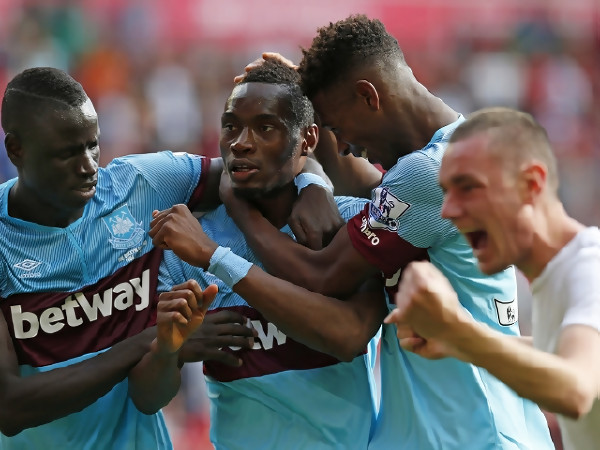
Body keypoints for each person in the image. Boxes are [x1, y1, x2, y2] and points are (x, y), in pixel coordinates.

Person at [224, 15, 555, 449]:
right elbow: (371, 186)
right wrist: (306, 126)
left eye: (337, 128)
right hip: (453, 427)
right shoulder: (455, 151)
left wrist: (235, 205)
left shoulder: (430, 173)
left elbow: (322, 274)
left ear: (368, 96)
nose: (342, 145)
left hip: (473, 433)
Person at [0, 67, 334, 449]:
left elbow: (252, 170)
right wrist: (151, 342)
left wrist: (313, 182)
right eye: (66, 154)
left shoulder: (137, 185)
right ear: (16, 149)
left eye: (92, 145)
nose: (89, 166)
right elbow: (10, 407)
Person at [132, 59, 387, 449]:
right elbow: (148, 398)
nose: (241, 142)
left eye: (265, 127)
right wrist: (168, 350)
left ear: (307, 139)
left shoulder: (350, 222)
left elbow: (348, 337)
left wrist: (217, 257)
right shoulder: (188, 244)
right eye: (231, 126)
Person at [385, 107, 600, 450]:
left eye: (468, 188)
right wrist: (457, 342)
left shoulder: (589, 266)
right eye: (446, 192)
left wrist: (460, 332)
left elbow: (576, 391)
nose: (448, 210)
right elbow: (565, 354)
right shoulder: (560, 273)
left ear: (531, 184)